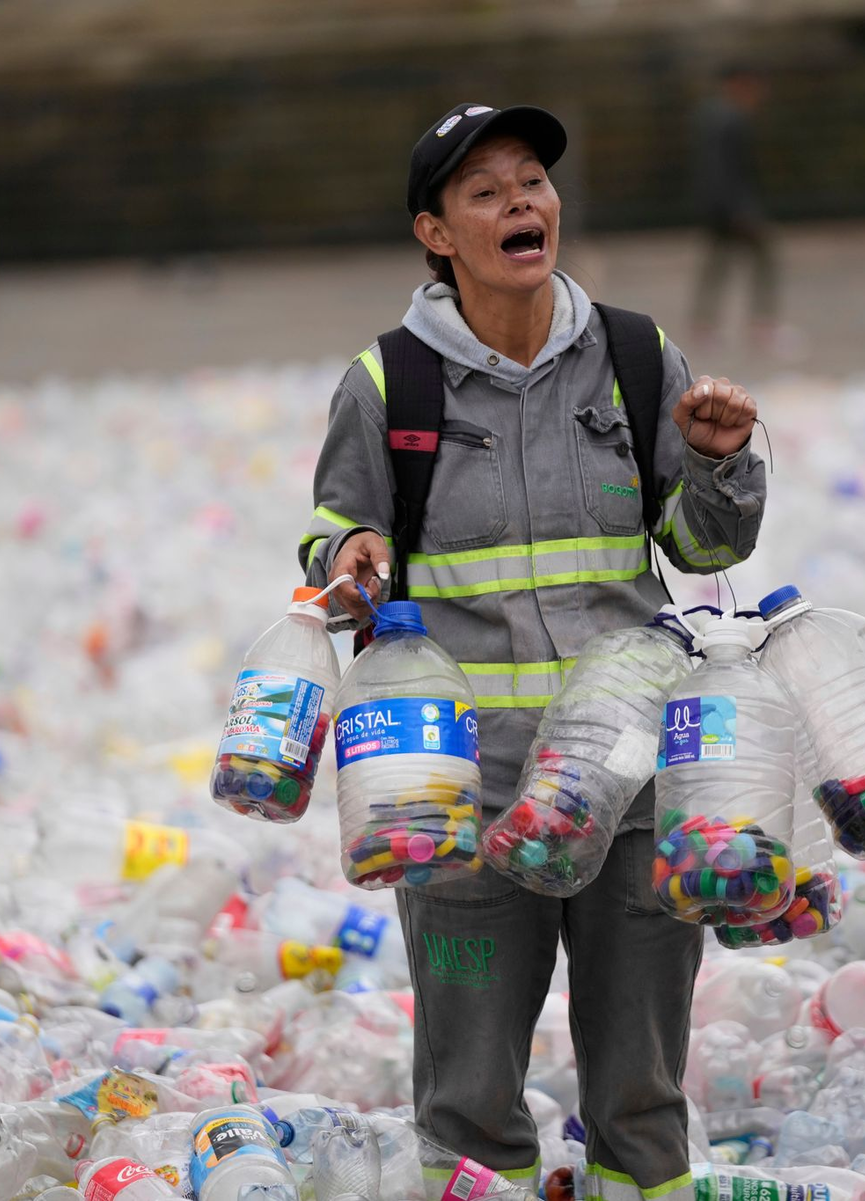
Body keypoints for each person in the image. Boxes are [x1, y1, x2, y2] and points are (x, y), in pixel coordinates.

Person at [300, 102, 767, 1201]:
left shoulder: (638, 356)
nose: (523, 203)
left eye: (534, 182)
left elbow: (704, 545)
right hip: (465, 796)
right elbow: (333, 535)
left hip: (632, 781)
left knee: (644, 1093)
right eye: (487, 191)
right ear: (437, 232)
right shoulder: (390, 385)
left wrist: (720, 462)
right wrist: (352, 549)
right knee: (467, 1091)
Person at [688, 68, 781, 354]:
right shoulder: (729, 119)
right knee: (759, 260)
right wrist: (739, 210)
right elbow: (724, 171)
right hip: (731, 209)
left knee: (717, 265)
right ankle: (760, 325)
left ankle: (705, 325)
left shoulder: (712, 116)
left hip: (720, 207)